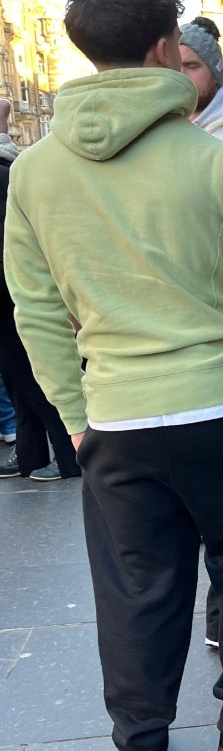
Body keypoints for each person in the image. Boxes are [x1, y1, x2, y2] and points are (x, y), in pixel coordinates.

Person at [5, 0, 223, 751]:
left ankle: (141, 744)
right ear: (168, 46)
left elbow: (38, 312)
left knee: (135, 585)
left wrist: (75, 415)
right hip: (222, 403)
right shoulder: (218, 164)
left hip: (116, 414)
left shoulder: (34, 173)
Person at [0, 100, 81, 481]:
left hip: (11, 291)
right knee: (20, 377)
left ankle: (66, 454)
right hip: (13, 287)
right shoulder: (16, 167)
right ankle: (33, 455)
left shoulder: (13, 171)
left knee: (26, 374)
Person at [179, 16, 223, 154]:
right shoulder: (163, 126)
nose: (181, 75)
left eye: (192, 66)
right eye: (175, 67)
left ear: (215, 73)